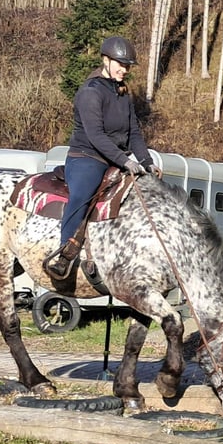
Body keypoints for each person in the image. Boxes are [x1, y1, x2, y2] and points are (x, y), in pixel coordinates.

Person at [45, 36, 161, 279]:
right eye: (120, 64)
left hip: (114, 158)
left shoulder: (122, 94)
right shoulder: (90, 92)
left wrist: (147, 162)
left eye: (127, 66)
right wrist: (126, 161)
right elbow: (96, 136)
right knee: (83, 193)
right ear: (106, 61)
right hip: (87, 157)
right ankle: (64, 252)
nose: (124, 69)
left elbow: (134, 133)